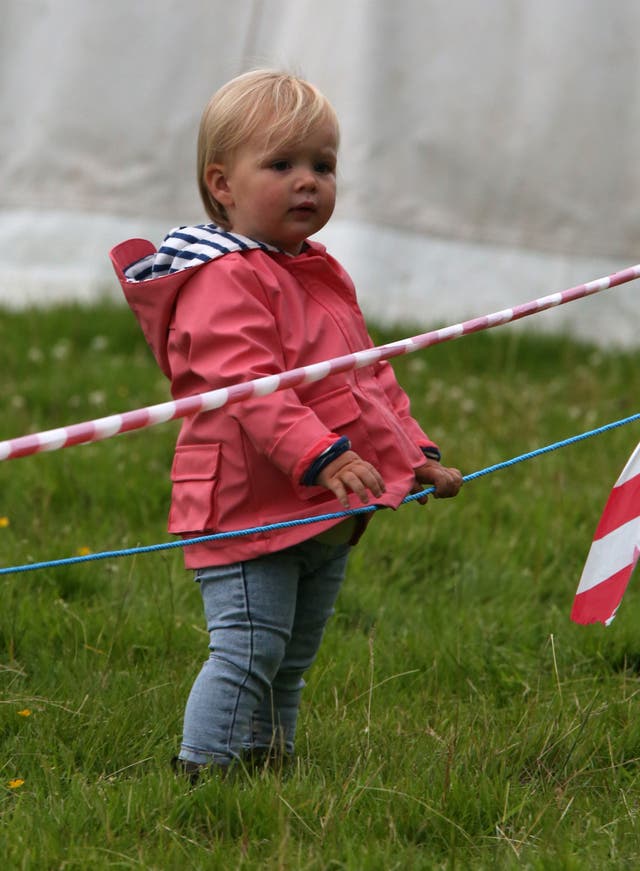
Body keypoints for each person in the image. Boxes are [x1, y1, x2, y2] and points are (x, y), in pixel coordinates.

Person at [110, 69, 463, 780]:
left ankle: (270, 771)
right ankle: (202, 778)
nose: (308, 182)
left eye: (322, 166)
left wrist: (414, 452)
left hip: (322, 502)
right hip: (250, 502)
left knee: (292, 657)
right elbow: (249, 386)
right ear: (223, 184)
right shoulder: (223, 277)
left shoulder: (318, 269)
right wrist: (324, 456)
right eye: (282, 165)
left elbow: (367, 374)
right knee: (247, 649)